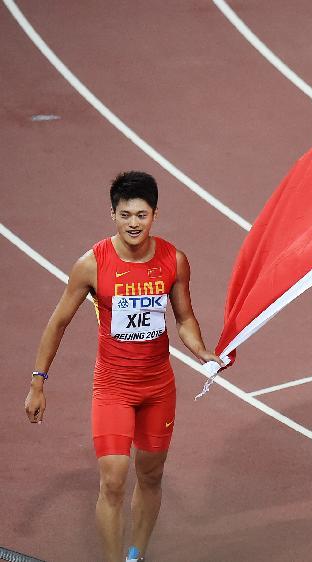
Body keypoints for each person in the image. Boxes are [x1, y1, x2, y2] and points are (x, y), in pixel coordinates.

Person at [24, 171, 224, 562]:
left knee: (150, 476)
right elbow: (58, 322)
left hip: (158, 390)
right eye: (126, 214)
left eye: (142, 215)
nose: (134, 222)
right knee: (113, 481)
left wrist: (201, 350)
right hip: (113, 388)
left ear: (154, 215)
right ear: (112, 215)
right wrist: (38, 382)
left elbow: (183, 317)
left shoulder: (174, 260)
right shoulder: (92, 264)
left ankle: (137, 554)